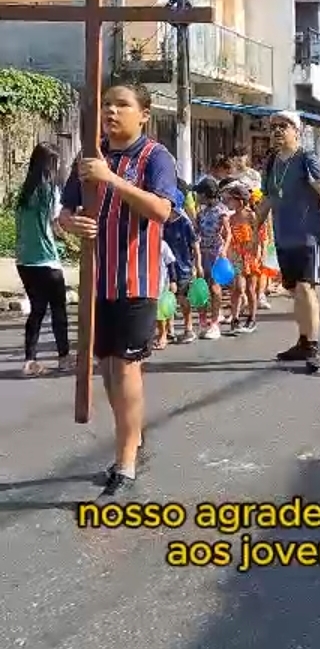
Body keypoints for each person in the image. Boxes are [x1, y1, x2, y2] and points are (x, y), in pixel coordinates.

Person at [59, 82, 176, 497]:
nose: (111, 111)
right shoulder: (89, 157)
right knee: (108, 366)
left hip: (135, 279)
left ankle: (125, 460)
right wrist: (70, 222)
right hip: (97, 279)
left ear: (143, 114)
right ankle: (132, 435)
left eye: (121, 105)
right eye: (106, 104)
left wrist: (111, 179)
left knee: (126, 367)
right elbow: (65, 211)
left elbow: (162, 209)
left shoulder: (155, 156)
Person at [254, 110, 320, 373]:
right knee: (294, 291)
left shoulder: (308, 159)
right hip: (284, 237)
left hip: (308, 237)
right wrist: (254, 231)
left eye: (284, 126)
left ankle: (312, 346)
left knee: (305, 288)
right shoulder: (271, 163)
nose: (277, 131)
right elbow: (268, 199)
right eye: (274, 127)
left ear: (297, 131)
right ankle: (303, 341)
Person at [15, 142, 72, 376]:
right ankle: (64, 358)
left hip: (24, 261)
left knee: (37, 310)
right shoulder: (50, 191)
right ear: (50, 165)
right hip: (46, 260)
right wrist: (70, 237)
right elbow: (57, 224)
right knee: (59, 311)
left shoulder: (24, 193)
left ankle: (30, 361)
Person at [195, 177, 231, 340]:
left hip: (216, 252)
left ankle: (215, 323)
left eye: (199, 193)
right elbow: (197, 232)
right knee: (202, 287)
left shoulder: (221, 211)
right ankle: (203, 321)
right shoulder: (201, 212)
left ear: (205, 194)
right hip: (202, 252)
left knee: (215, 287)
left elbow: (228, 233)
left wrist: (224, 250)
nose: (197, 196)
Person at [163, 191, 201, 343]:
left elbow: (195, 244)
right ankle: (170, 330)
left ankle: (188, 328)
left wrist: (197, 265)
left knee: (182, 298)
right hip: (166, 267)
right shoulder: (162, 224)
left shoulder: (184, 223)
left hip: (183, 266)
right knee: (167, 298)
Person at [226, 183, 262, 334]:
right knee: (237, 288)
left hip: (250, 254)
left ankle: (252, 318)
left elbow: (257, 236)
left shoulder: (251, 215)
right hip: (236, 255)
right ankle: (234, 319)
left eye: (231, 199)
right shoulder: (231, 218)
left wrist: (257, 252)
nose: (228, 202)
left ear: (240, 201)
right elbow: (228, 236)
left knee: (250, 288)